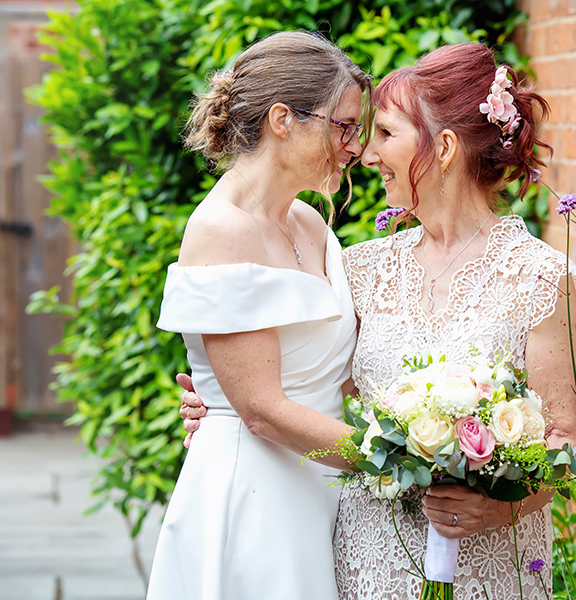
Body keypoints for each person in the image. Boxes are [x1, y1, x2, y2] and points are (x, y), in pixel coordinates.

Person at [181, 43, 576, 599]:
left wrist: (497, 509)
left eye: (385, 134)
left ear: (443, 148)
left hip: (490, 565)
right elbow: (307, 380)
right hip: (367, 554)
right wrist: (220, 403)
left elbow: (568, 446)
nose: (364, 153)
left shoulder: (543, 279)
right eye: (357, 131)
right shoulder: (361, 268)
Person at [147, 31, 372, 600]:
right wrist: (398, 460)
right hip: (256, 499)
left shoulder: (311, 224)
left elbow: (341, 371)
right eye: (344, 126)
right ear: (283, 119)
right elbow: (262, 411)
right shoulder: (221, 230)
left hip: (322, 485)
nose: (356, 148)